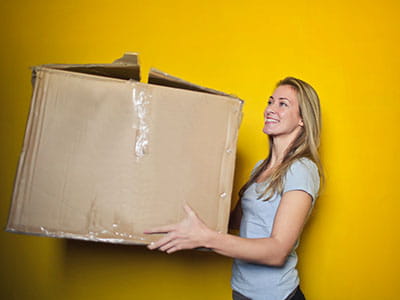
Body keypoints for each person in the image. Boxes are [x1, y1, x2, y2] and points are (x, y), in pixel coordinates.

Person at [145, 77, 323, 300]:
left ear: (303, 120)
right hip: (242, 291)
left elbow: (277, 252)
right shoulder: (261, 168)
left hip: (276, 295)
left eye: (283, 104)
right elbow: (235, 222)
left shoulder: (301, 170)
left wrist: (206, 238)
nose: (270, 109)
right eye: (270, 101)